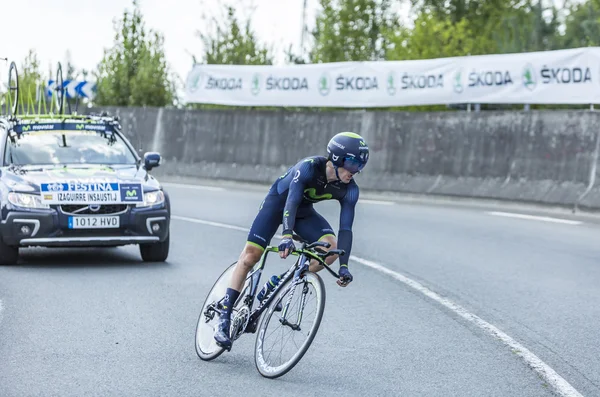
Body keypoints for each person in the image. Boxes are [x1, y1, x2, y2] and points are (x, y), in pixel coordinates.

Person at [213, 131, 370, 350]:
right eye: (353, 164)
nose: (356, 171)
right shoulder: (308, 167)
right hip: (279, 204)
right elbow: (292, 200)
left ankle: (278, 282)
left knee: (332, 252)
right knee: (251, 257)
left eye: (361, 166)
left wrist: (344, 266)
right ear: (336, 158)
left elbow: (346, 229)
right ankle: (225, 314)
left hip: (303, 212)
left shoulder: (350, 189)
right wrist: (286, 236)